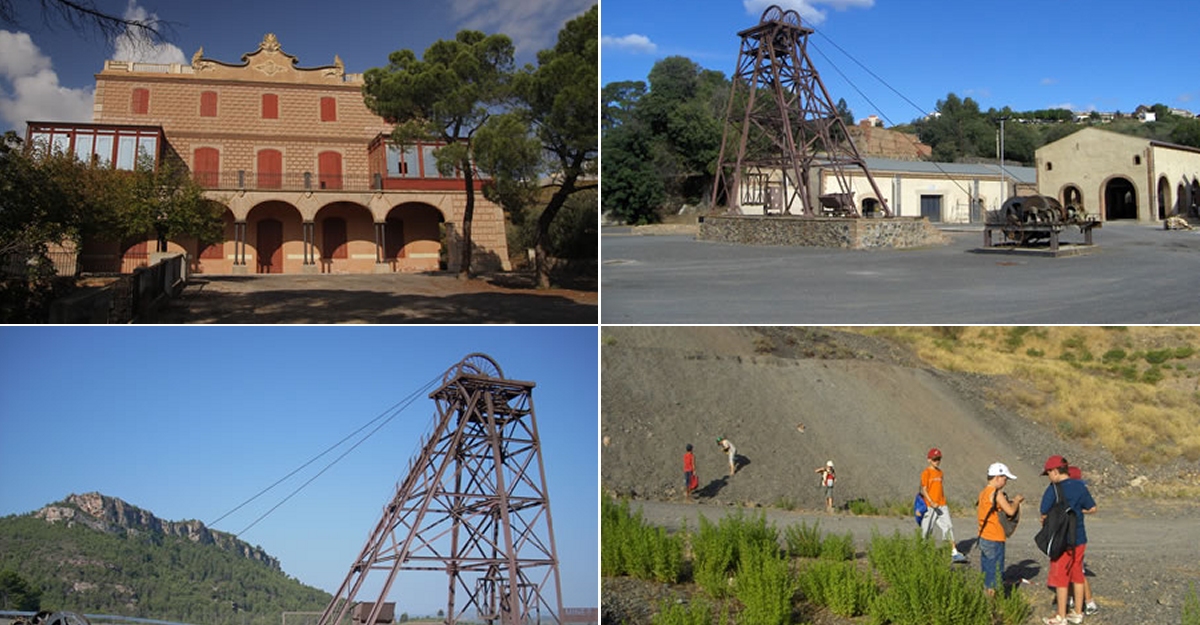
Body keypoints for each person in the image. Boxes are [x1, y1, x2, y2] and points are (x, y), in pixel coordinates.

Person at [1039, 455, 1097, 625]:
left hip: (1060, 539)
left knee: (1061, 577)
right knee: (1077, 574)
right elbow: (1092, 507)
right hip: (1079, 537)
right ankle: (1078, 613)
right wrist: (1076, 511)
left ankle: (1061, 616)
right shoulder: (1080, 486)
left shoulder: (1053, 489)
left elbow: (1044, 512)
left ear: (1055, 471)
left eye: (1048, 473)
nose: (1049, 476)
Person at [977, 462, 1025, 595]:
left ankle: (986, 599)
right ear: (997, 477)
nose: (1005, 482)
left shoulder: (983, 493)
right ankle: (992, 607)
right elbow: (1010, 511)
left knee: (987, 572)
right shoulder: (996, 494)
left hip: (984, 537)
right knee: (995, 574)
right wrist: (1016, 501)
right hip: (995, 538)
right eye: (1005, 479)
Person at [920, 447, 967, 563]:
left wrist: (940, 502)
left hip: (942, 504)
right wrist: (931, 502)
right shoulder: (926, 473)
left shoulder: (940, 473)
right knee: (926, 530)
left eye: (939, 459)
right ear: (929, 460)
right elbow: (924, 489)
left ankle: (954, 552)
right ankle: (922, 552)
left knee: (948, 527)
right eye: (935, 459)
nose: (937, 461)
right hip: (930, 506)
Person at [1066, 465, 1099, 616]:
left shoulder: (1074, 491)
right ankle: (1073, 598)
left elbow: (1093, 508)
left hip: (1076, 537)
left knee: (1078, 572)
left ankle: (1089, 602)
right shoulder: (1075, 490)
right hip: (1069, 536)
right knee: (1071, 571)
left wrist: (1078, 510)